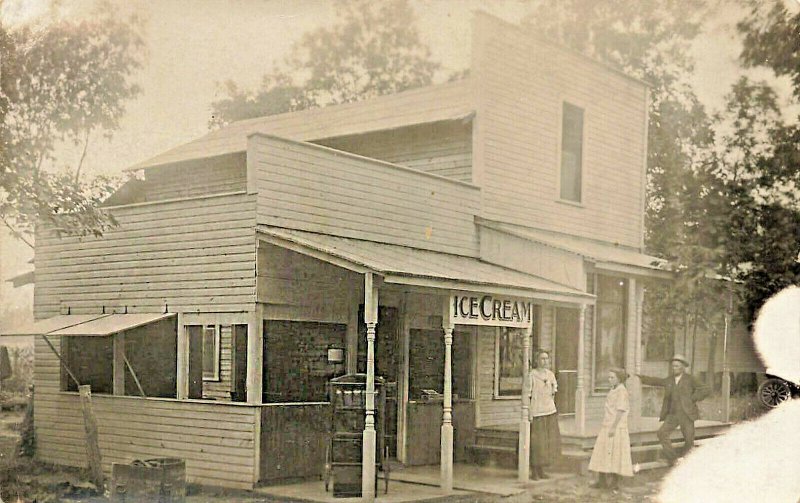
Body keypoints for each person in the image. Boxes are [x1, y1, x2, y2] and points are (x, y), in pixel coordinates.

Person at [637, 354, 710, 465]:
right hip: (673, 415)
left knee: (689, 440)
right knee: (662, 433)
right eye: (673, 366)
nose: (674, 368)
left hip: (686, 414)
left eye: (676, 366)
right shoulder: (669, 380)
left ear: (682, 367)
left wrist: (693, 398)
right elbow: (657, 381)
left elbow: (705, 389)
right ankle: (673, 458)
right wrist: (640, 377)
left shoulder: (690, 379)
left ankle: (686, 460)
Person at [588, 368, 633, 491]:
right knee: (602, 452)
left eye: (612, 377)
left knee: (616, 454)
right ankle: (602, 481)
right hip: (607, 424)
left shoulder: (622, 391)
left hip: (616, 426)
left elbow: (620, 410)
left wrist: (613, 427)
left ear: (619, 378)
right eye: (609, 377)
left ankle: (614, 482)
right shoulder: (613, 390)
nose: (609, 380)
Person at [528, 349, 561, 480]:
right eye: (542, 358)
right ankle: (534, 470)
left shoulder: (550, 375)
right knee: (537, 443)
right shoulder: (531, 375)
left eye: (546, 359)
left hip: (549, 410)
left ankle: (542, 469)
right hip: (537, 412)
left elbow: (553, 391)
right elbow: (528, 395)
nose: (544, 361)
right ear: (536, 360)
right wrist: (529, 413)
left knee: (547, 442)